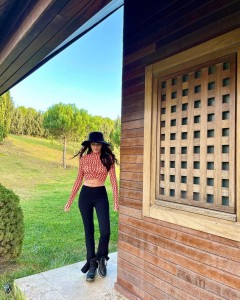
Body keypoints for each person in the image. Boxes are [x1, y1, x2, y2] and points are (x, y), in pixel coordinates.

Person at [64, 131, 119, 282]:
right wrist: (69, 201)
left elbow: (113, 180)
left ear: (102, 145)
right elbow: (78, 180)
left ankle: (101, 258)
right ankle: (91, 262)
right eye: (93, 144)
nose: (96, 146)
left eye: (98, 144)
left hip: (101, 195)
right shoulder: (84, 159)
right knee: (89, 232)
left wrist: (116, 201)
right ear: (89, 145)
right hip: (86, 195)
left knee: (105, 231)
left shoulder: (108, 159)